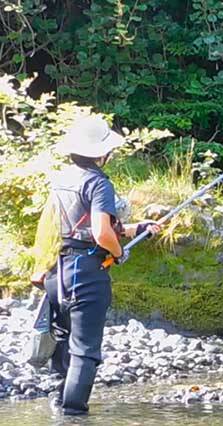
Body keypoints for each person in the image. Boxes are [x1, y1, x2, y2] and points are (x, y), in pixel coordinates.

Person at [41, 116, 161, 415]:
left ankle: (58, 404)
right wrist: (118, 253)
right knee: (85, 349)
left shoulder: (62, 179)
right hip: (86, 274)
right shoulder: (98, 183)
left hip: (58, 270)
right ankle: (74, 414)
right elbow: (101, 232)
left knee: (63, 340)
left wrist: (136, 229)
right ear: (101, 153)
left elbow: (77, 226)